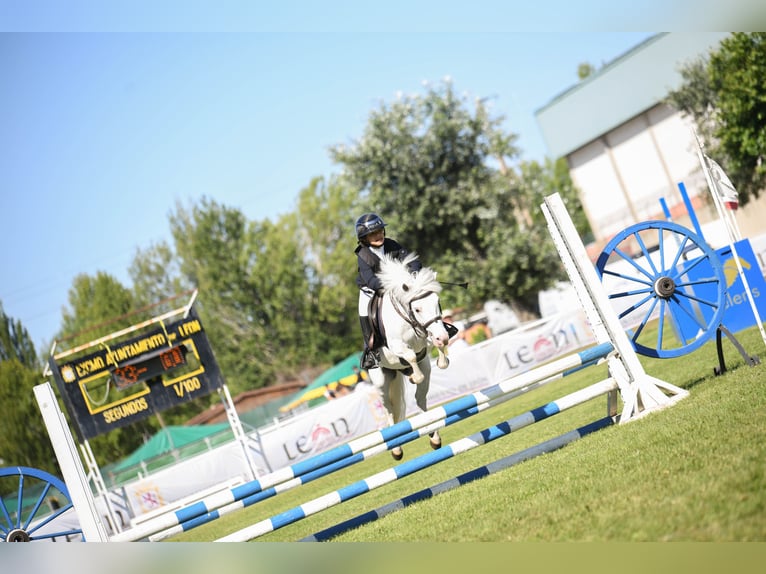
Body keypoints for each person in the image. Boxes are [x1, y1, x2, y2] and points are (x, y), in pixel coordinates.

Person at [354, 212, 422, 370]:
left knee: (423, 293)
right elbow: (371, 281)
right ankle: (371, 351)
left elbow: (412, 261)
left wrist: (413, 273)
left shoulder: (392, 245)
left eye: (379, 231)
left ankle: (437, 327)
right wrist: (392, 283)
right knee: (364, 310)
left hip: (397, 285)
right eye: (373, 234)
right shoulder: (363, 255)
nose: (378, 235)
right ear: (365, 239)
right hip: (370, 289)